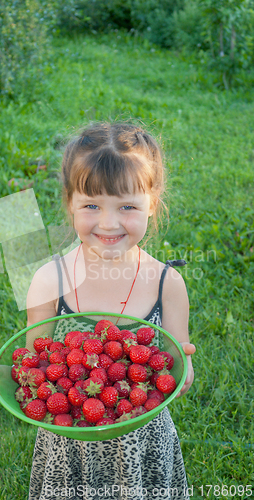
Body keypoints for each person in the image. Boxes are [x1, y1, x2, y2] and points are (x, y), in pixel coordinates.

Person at [25, 121, 195, 500]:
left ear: (152, 203)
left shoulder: (168, 285)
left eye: (127, 206)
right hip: (69, 444)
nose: (108, 222)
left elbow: (172, 362)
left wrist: (184, 369)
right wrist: (22, 380)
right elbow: (33, 365)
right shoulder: (49, 281)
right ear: (69, 201)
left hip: (142, 438)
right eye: (91, 205)